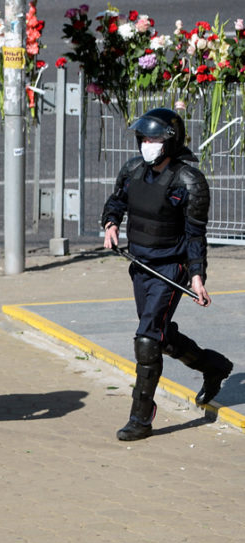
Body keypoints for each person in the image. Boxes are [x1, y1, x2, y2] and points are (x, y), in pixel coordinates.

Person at [101, 107, 233, 441]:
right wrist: (111, 224)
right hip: (140, 265)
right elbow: (115, 202)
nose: (148, 143)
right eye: (144, 137)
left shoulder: (189, 181)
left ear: (170, 143)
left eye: (155, 138)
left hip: (171, 270)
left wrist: (197, 277)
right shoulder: (132, 170)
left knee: (146, 340)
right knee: (160, 336)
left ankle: (141, 417)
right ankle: (214, 366)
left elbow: (195, 235)